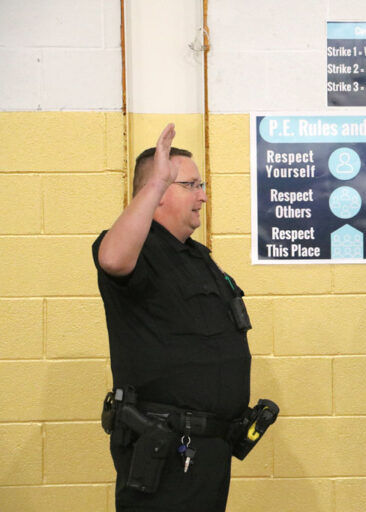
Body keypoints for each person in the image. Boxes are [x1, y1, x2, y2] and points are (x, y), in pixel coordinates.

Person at [93, 124, 253, 511]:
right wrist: (155, 181)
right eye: (191, 185)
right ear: (159, 191)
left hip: (206, 453)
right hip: (164, 452)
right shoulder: (138, 247)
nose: (203, 196)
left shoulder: (196, 257)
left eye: (202, 186)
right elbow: (113, 259)